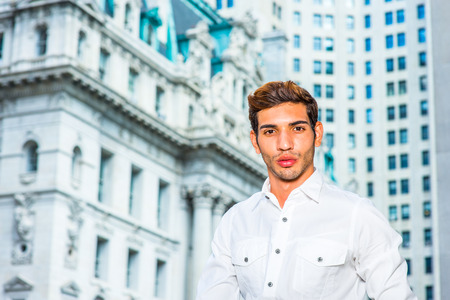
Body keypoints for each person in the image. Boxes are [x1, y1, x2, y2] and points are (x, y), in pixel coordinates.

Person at [196, 81, 417, 300]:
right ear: (255, 141)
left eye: (297, 128)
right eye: (270, 131)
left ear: (317, 134)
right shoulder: (235, 221)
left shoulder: (357, 215)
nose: (285, 144)